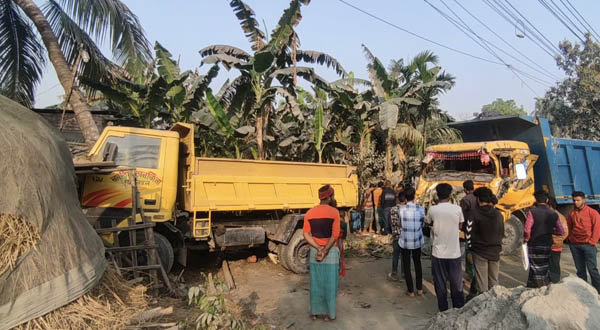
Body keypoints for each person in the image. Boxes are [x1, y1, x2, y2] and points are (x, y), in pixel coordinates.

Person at [303, 185, 341, 321]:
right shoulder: (334, 212)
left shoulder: (309, 213)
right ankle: (329, 314)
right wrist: (325, 249)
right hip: (330, 252)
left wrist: (318, 248)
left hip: (315, 252)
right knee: (330, 283)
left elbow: (306, 234)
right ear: (329, 197)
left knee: (316, 282)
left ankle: (314, 312)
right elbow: (335, 235)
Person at [427, 183, 465, 311]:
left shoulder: (433, 210)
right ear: (450, 195)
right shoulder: (457, 209)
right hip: (454, 252)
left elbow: (428, 222)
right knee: (456, 283)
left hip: (438, 253)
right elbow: (460, 225)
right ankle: (458, 308)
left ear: (437, 194)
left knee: (440, 283)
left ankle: (443, 309)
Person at [523, 190, 565, 288]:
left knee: (534, 266)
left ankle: (534, 286)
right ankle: (544, 286)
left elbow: (527, 229)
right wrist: (552, 231)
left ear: (536, 200)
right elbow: (561, 231)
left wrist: (527, 239)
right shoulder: (554, 214)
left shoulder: (532, 212)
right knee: (544, 266)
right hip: (547, 243)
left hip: (534, 243)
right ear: (546, 200)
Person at [467, 187, 504, 295]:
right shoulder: (498, 214)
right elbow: (502, 231)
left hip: (479, 251)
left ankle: (483, 303)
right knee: (494, 280)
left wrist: (470, 248)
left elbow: (469, 232)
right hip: (495, 251)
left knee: (481, 282)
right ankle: (496, 302)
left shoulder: (474, 213)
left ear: (478, 199)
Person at [567, 191, 600, 294]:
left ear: (583, 200)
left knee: (592, 270)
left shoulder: (592, 213)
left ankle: (598, 291)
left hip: (588, 245)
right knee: (580, 270)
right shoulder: (572, 213)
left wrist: (592, 241)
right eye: (574, 200)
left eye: (578, 200)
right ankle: (584, 291)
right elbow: (568, 227)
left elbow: (597, 228)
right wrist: (570, 239)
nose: (576, 202)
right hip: (575, 245)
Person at [398, 187, 425, 296]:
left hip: (405, 241)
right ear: (414, 196)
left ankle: (410, 290)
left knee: (407, 265)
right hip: (417, 240)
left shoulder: (401, 209)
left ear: (405, 197)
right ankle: (420, 289)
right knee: (417, 263)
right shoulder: (421, 209)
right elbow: (423, 224)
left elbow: (400, 223)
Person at [460, 180, 477, 299]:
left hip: (468, 229)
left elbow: (461, 216)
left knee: (468, 252)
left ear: (465, 189)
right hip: (479, 228)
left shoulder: (465, 200)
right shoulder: (478, 197)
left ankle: (470, 275)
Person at [548, 197, 568, 283]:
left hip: (555, 246)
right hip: (551, 245)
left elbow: (564, 233)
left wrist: (555, 241)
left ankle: (554, 282)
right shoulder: (550, 215)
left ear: (550, 206)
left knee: (554, 265)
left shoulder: (558, 217)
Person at [389, 191, 407, 281]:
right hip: (405, 235)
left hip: (396, 234)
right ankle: (404, 275)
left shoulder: (393, 209)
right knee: (404, 256)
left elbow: (391, 222)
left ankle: (394, 273)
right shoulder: (407, 209)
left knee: (395, 254)